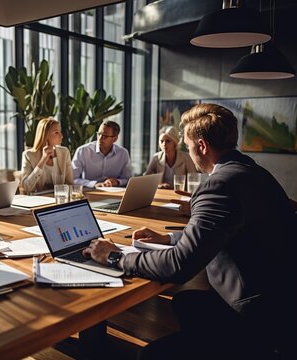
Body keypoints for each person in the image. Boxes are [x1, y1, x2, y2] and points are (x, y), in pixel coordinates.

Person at [83, 104, 296, 359]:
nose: (187, 150)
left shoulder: (219, 185)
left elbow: (178, 265)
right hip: (284, 301)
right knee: (186, 303)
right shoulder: (253, 172)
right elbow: (225, 229)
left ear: (202, 146)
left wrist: (115, 256)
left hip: (258, 317)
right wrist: (169, 237)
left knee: (148, 356)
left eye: (187, 144)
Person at [72, 120, 132, 188]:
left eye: (105, 136)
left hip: (114, 193)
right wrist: (94, 184)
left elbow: (128, 179)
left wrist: (117, 182)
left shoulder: (123, 153)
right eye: (99, 134)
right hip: (90, 192)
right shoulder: (83, 151)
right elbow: (73, 179)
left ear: (114, 139)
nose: (100, 138)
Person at [20, 117, 73, 194]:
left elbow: (70, 184)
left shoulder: (64, 152)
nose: (61, 136)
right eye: (56, 132)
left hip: (59, 199)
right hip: (38, 201)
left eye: (60, 132)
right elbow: (27, 187)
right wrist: (43, 160)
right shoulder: (28, 155)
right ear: (45, 135)